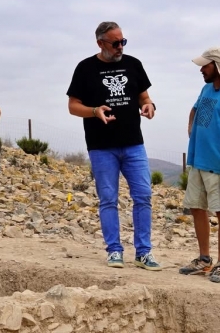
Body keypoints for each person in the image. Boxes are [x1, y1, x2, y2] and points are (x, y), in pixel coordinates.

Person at [67, 21, 161, 270]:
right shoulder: (85, 68)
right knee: (108, 199)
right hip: (101, 147)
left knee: (143, 196)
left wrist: (148, 105)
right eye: (115, 43)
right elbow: (73, 106)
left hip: (133, 144)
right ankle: (114, 251)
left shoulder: (133, 64)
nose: (120, 47)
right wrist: (95, 110)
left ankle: (143, 252)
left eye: (123, 42)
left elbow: (144, 96)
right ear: (100, 43)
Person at [178, 48, 220, 284]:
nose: (201, 69)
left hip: (219, 165)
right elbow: (195, 109)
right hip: (198, 161)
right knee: (197, 208)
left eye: (205, 66)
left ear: (217, 66)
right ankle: (204, 259)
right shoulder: (206, 88)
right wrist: (191, 128)